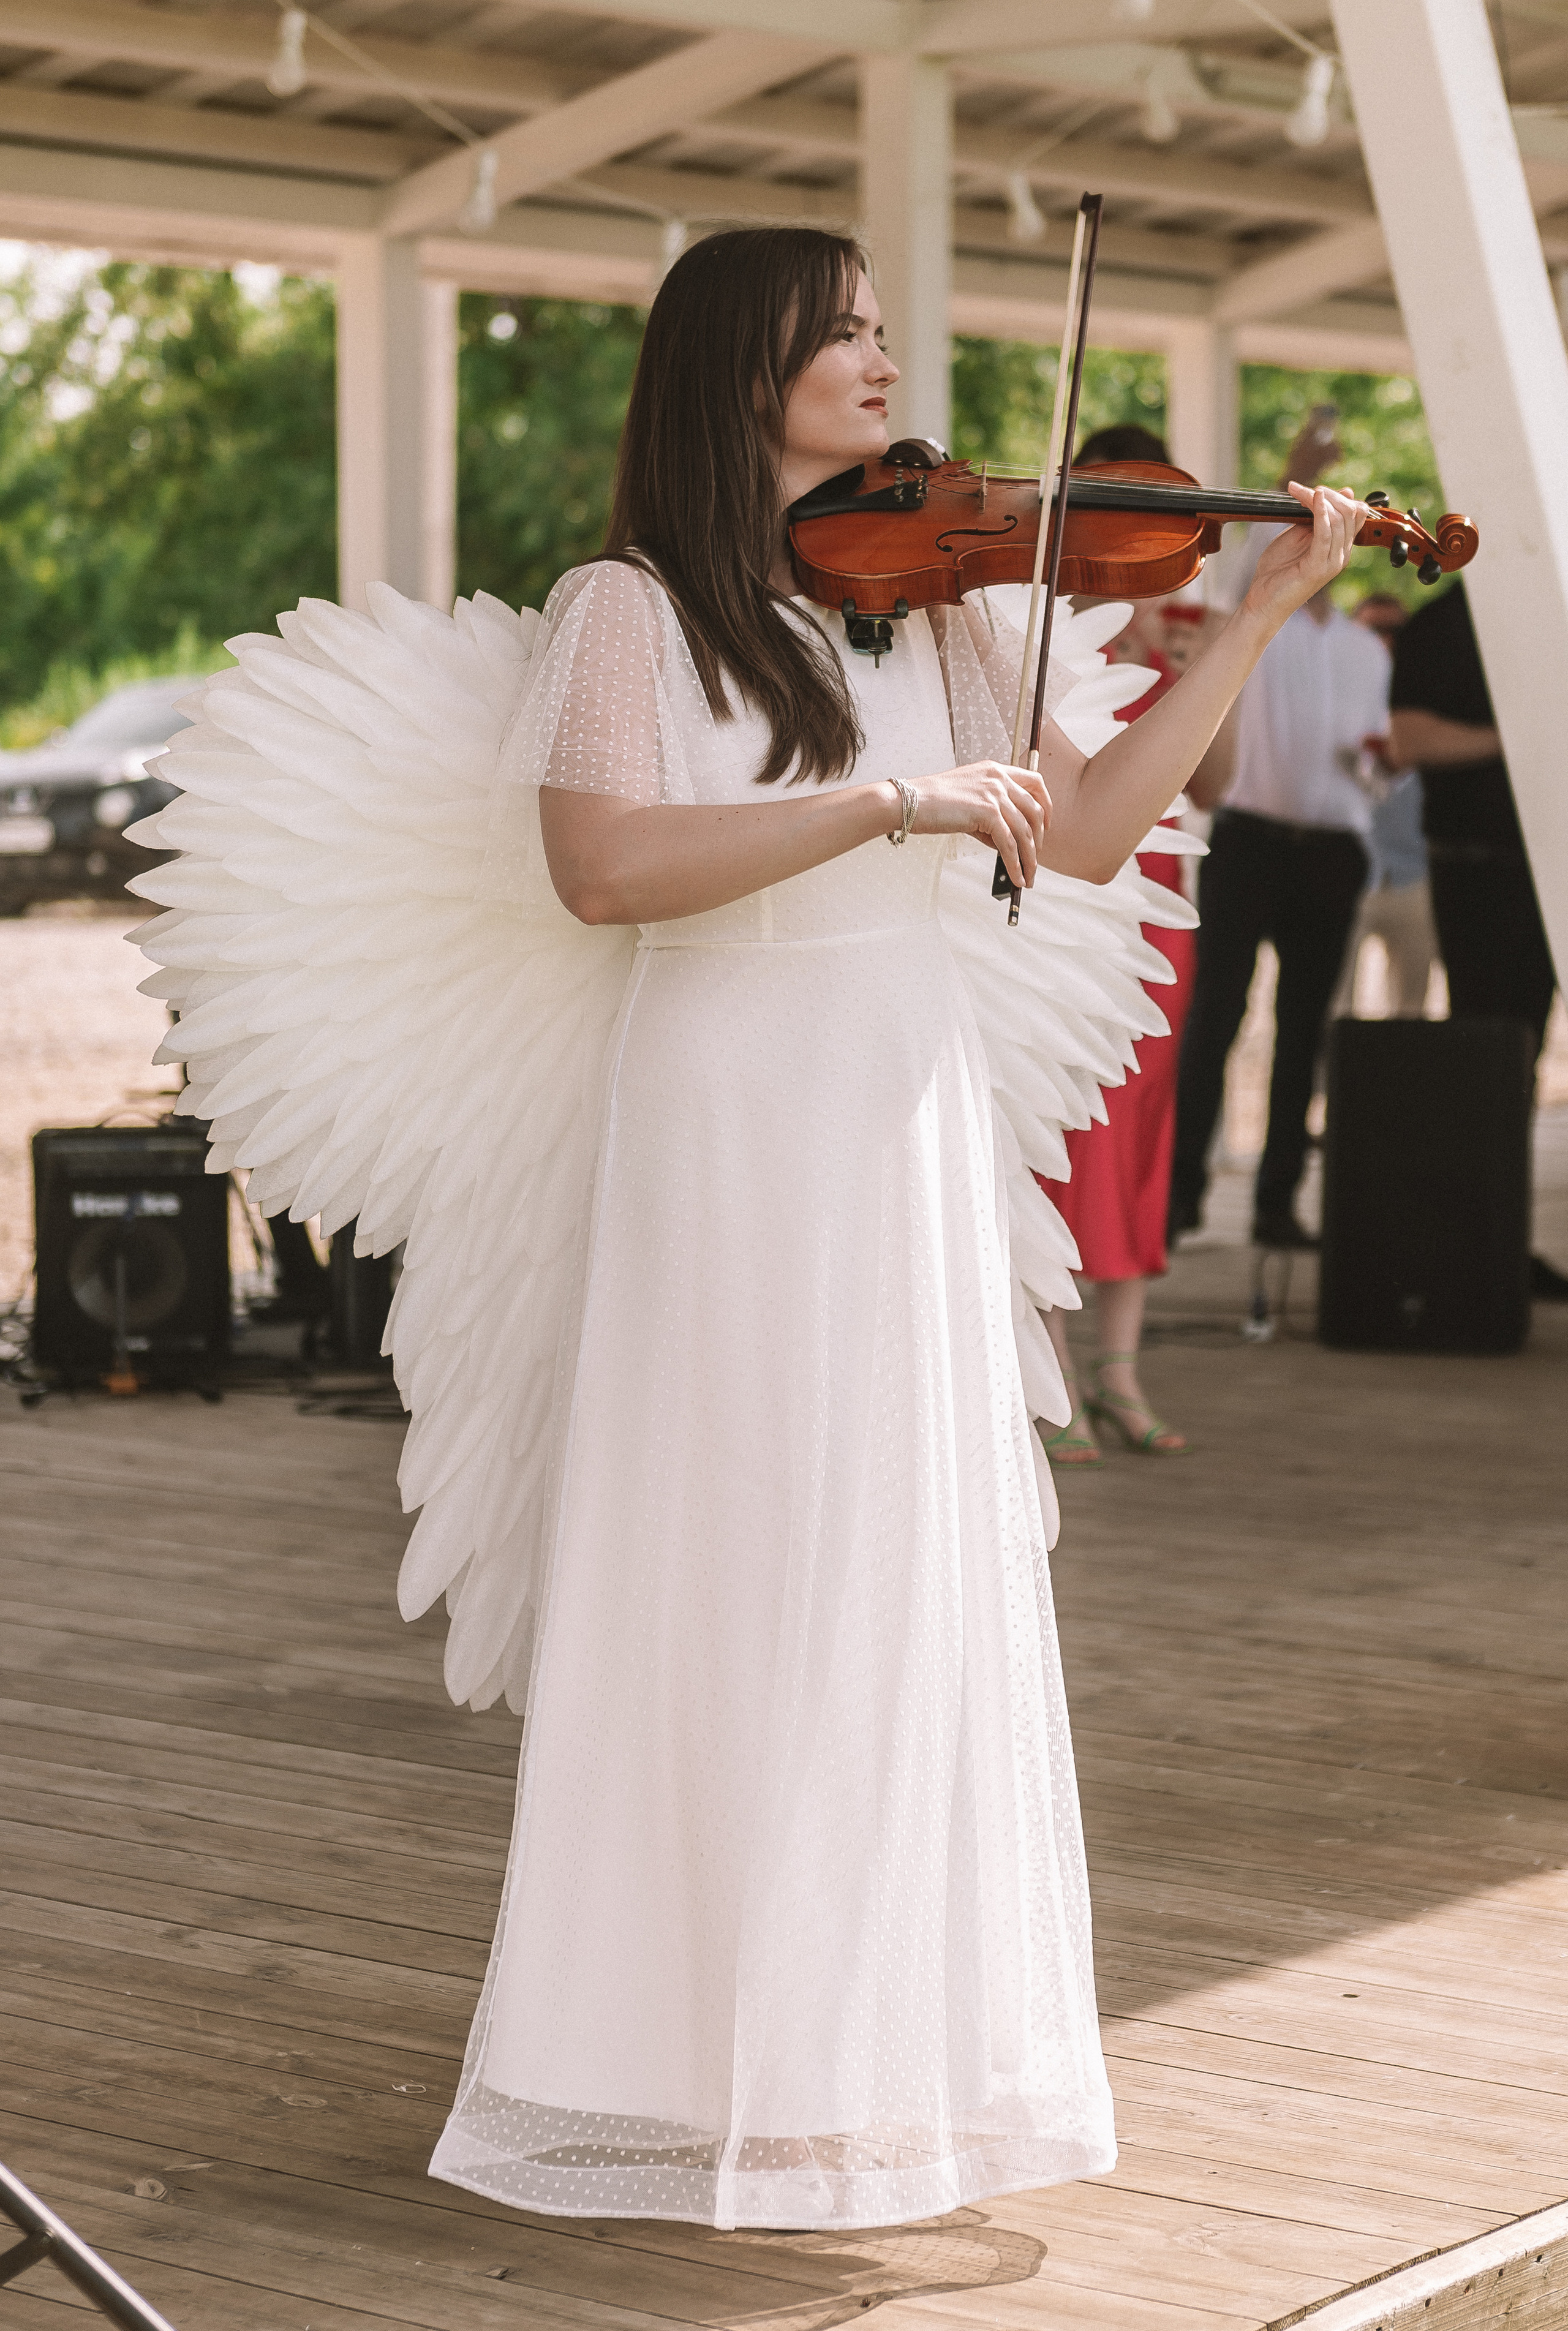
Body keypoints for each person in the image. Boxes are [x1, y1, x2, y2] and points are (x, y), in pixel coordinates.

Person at [132, 228, 1368, 2231]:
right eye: (850, 332)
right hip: (722, 1116)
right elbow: (605, 868)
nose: (891, 362)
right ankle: (673, 2072)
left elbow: (1102, 829)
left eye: (885, 331)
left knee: (899, 1570)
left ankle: (867, 2083)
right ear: (747, 359)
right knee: (732, 1569)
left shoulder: (947, 595)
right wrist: (890, 811)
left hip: (899, 1112)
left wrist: (1248, 613)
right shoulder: (627, 607)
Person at [1035, 426, 1230, 1464]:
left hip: (1156, 906)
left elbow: (1215, 784)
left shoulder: (1170, 638)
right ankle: (1056, 1364)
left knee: (1144, 1121)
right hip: (1069, 901)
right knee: (1064, 1126)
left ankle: (1120, 1363)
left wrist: (1206, 667)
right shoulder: (1040, 628)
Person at [1169, 429, 1389, 1251]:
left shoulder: (1368, 650)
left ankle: (1276, 1204)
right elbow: (1261, 538)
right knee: (1215, 1020)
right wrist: (1305, 464)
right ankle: (1182, 1195)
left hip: (1333, 849)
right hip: (1252, 839)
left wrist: (1380, 771)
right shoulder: (1266, 618)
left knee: (1305, 1034)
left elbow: (1374, 767)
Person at [1386, 580, 1567, 1299]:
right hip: (1477, 869)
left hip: (1543, 870)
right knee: (1488, 1059)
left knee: (1520, 1064)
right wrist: (1520, 742)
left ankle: (1503, 1242)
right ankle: (1478, 1250)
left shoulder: (1550, 607)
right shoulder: (1441, 624)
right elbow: (1409, 738)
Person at [1332, 592, 1439, 1020]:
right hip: (1350, 873)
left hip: (1413, 875)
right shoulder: (1336, 694)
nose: (1384, 641)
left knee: (1411, 1009)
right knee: (1336, 1006)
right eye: (1372, 630)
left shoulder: (1429, 696)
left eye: (1396, 631)